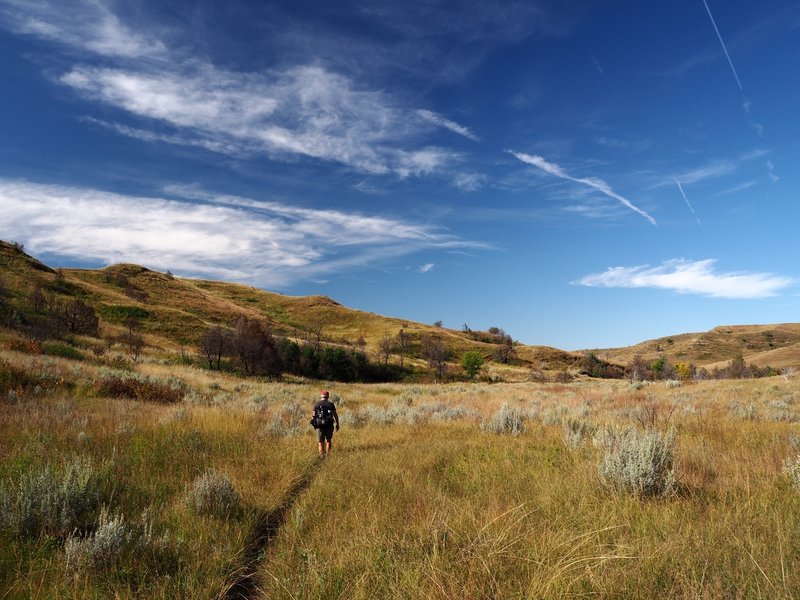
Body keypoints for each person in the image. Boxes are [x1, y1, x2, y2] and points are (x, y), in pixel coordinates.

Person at [311, 390, 339, 457]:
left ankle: (321, 456)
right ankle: (328, 455)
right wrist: (337, 424)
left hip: (320, 425)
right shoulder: (331, 404)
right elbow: (335, 415)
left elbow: (313, 416)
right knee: (328, 440)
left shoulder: (317, 404)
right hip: (329, 425)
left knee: (321, 442)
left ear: (321, 396)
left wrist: (314, 425)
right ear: (328, 396)